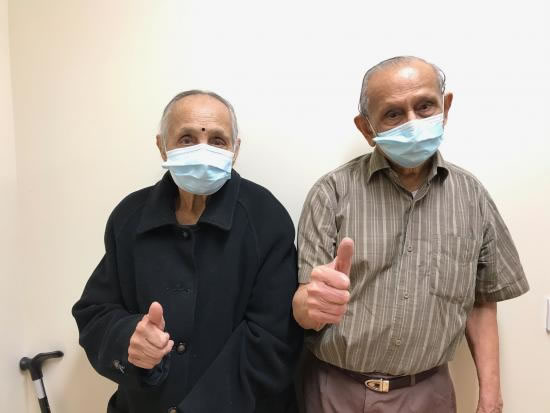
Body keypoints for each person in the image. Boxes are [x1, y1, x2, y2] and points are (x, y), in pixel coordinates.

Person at [292, 56, 529, 413]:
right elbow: (303, 303)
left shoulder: (473, 197)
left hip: (428, 393)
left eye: (424, 106)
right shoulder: (331, 193)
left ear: (445, 108)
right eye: (393, 114)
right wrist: (312, 305)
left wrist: (491, 398)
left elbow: (482, 304)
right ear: (367, 129)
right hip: (334, 389)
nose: (413, 123)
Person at [73, 90, 302, 413]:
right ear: (161, 144)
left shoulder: (265, 217)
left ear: (235, 150)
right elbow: (95, 311)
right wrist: (128, 339)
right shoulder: (129, 217)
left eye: (218, 141)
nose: (202, 150)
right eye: (186, 138)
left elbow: (275, 336)